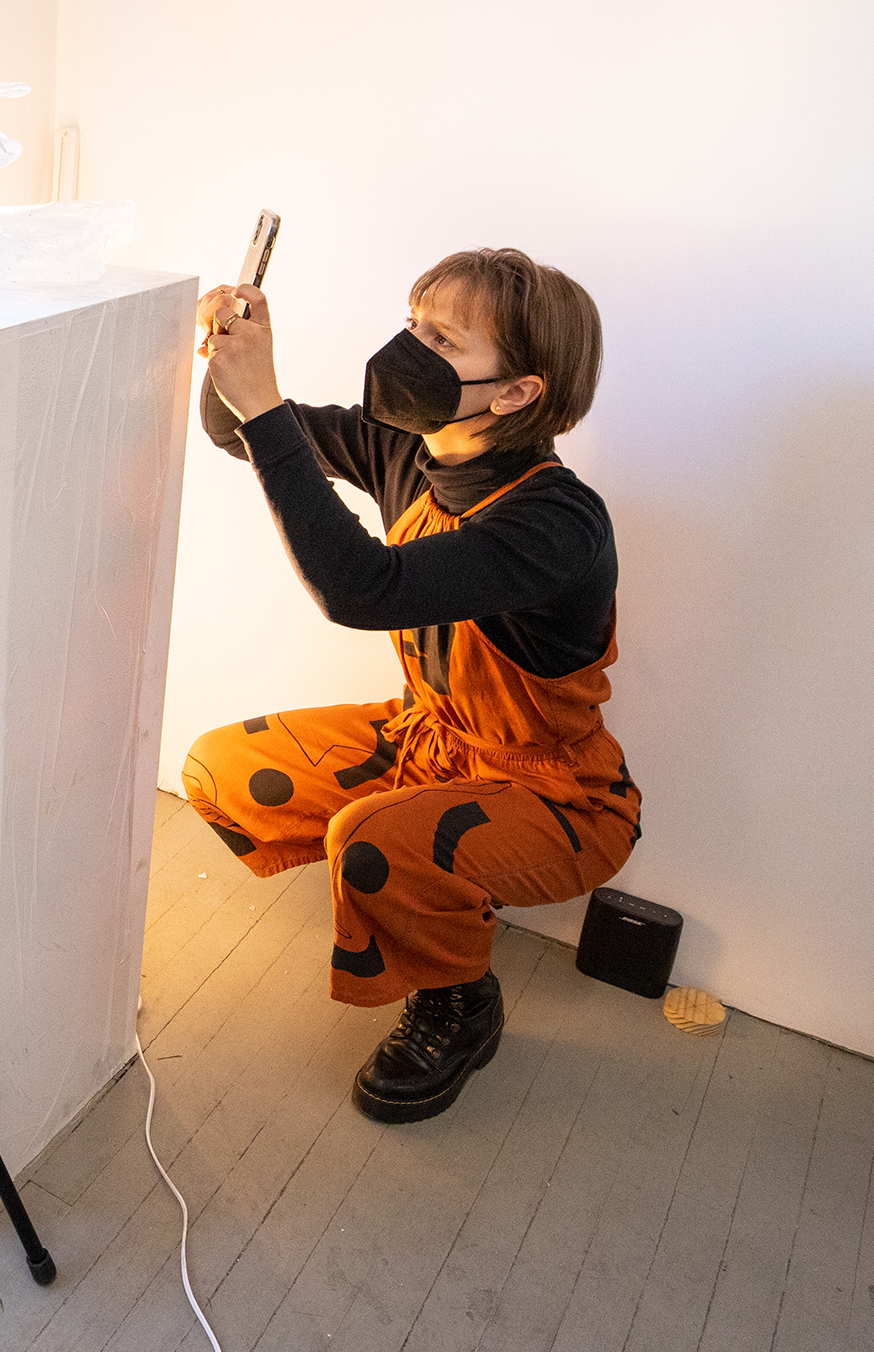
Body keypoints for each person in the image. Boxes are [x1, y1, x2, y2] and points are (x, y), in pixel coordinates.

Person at [181, 247, 641, 1124]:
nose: (407, 348)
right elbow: (232, 428)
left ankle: (457, 1000)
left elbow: (360, 588)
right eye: (411, 324)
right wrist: (234, 348)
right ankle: (413, 891)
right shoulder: (405, 446)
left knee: (371, 840)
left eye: (441, 339)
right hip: (428, 736)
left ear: (516, 392)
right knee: (219, 768)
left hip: (556, 792)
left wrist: (265, 402)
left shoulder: (557, 522)